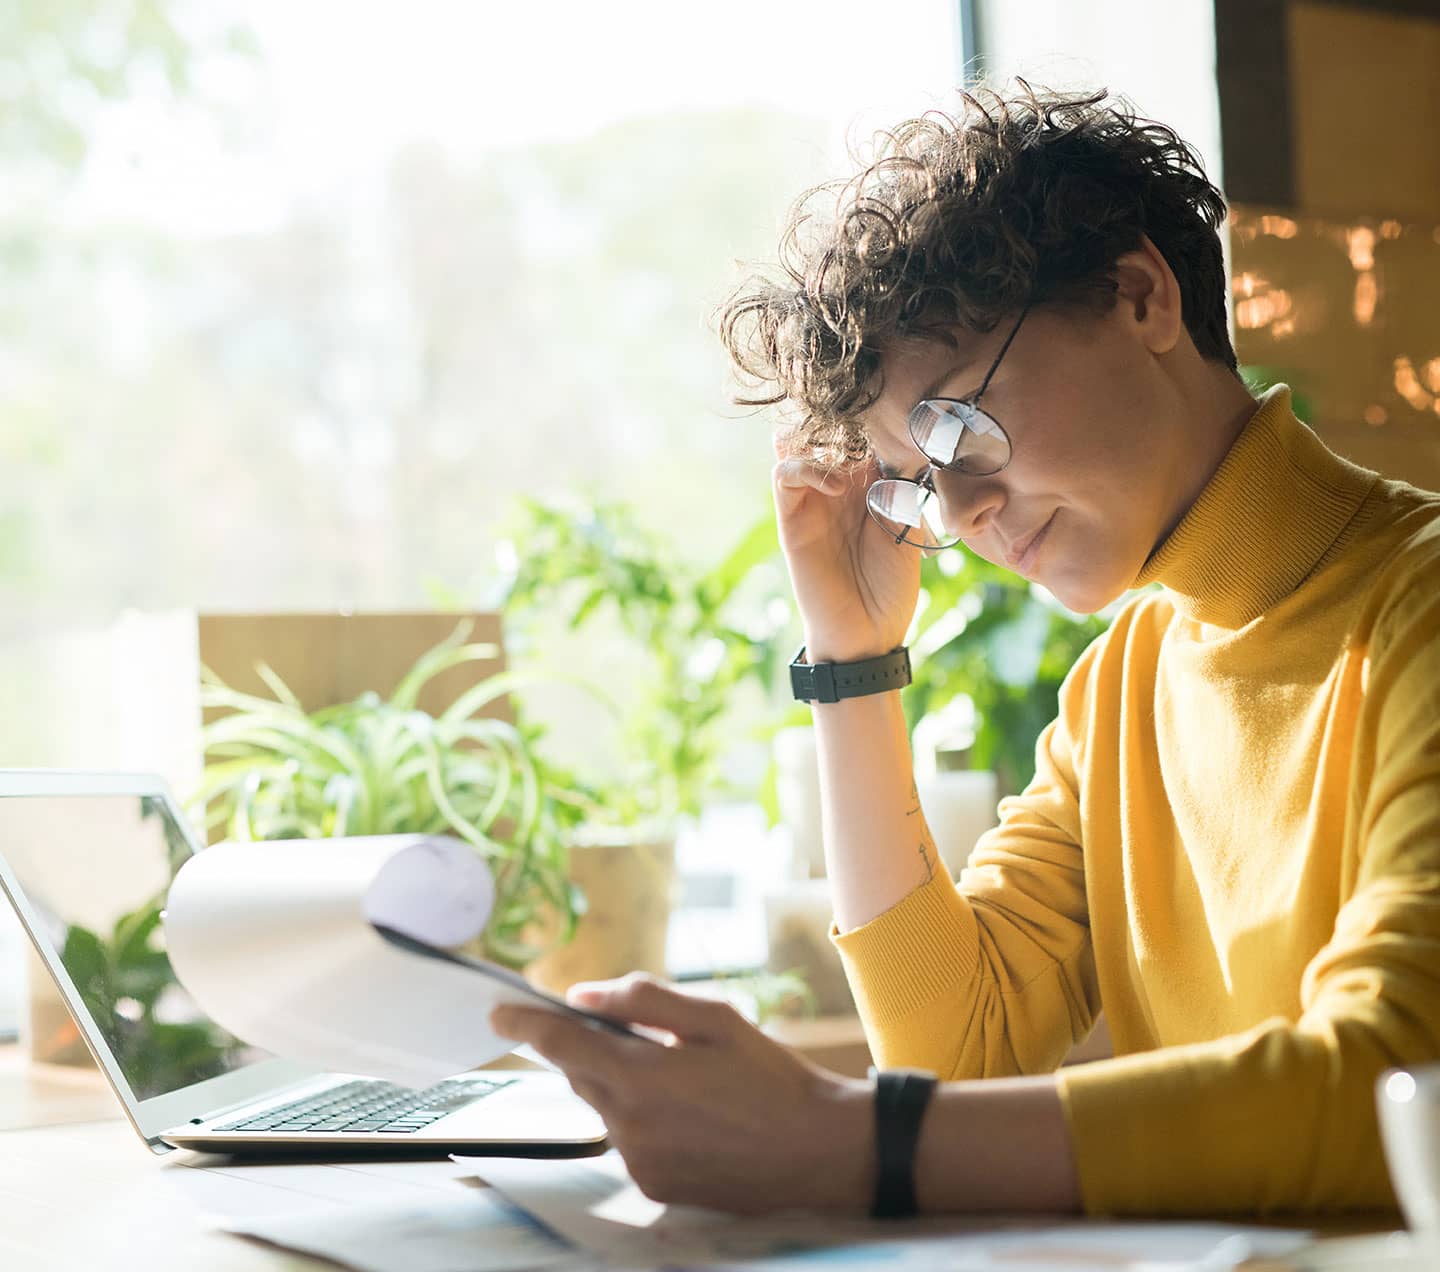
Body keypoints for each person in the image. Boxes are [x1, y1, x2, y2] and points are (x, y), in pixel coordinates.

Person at [491, 83, 1440, 1219]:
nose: (966, 512)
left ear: (1141, 297)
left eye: (955, 424)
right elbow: (963, 1042)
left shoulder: (1416, 605)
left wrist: (835, 1138)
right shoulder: (1122, 684)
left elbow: (1395, 1085)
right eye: (918, 479)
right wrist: (851, 662)